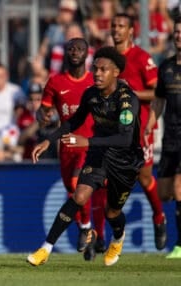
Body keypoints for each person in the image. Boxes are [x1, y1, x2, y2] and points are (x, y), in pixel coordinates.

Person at [27, 46, 144, 267]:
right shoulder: (91, 94)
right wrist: (48, 139)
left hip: (125, 161)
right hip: (98, 155)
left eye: (103, 70)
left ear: (116, 72)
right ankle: (45, 248)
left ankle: (117, 238)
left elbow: (125, 139)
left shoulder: (127, 100)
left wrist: (86, 141)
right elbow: (75, 120)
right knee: (79, 196)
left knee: (112, 213)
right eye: (95, 69)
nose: (97, 74)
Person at [39, 37, 109, 261]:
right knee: (74, 193)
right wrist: (44, 116)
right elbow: (44, 109)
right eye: (71, 48)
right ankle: (88, 231)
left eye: (80, 48)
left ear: (87, 54)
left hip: (90, 145)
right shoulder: (56, 82)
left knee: (76, 185)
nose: (75, 51)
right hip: (67, 146)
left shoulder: (95, 81)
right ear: (66, 53)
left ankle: (88, 228)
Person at [111, 13, 167, 250]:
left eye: (121, 26)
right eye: (113, 25)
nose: (116, 30)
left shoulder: (141, 58)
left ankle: (158, 217)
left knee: (144, 177)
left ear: (131, 31)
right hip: (113, 129)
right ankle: (102, 235)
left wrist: (129, 92)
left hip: (141, 127)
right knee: (106, 180)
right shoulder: (107, 59)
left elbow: (157, 92)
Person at [147, 17, 181, 258]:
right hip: (170, 136)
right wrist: (149, 124)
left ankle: (180, 246)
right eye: (177, 32)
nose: (179, 36)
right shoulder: (166, 67)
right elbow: (159, 99)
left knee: (179, 188)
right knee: (165, 193)